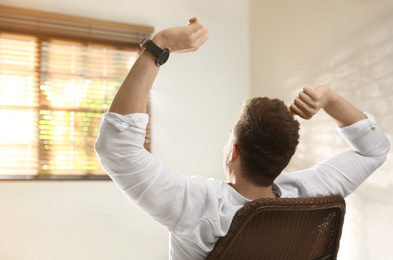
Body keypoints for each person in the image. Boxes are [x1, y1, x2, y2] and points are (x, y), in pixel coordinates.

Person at [94, 18, 390, 259]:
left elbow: (116, 146)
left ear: (232, 152)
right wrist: (329, 98)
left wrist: (159, 46)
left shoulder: (199, 207)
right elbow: (374, 150)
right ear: (284, 157)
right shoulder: (307, 194)